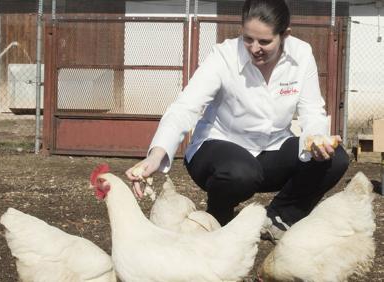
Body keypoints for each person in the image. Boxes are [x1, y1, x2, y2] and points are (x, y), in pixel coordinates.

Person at [126, 0, 349, 241]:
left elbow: (312, 110)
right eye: (248, 39)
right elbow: (185, 107)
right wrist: (156, 155)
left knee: (335, 158)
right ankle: (217, 218)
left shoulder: (301, 54)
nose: (254, 48)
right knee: (241, 171)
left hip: (271, 149)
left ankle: (277, 218)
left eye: (264, 41)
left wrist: (316, 140)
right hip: (218, 150)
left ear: (285, 35)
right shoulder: (224, 56)